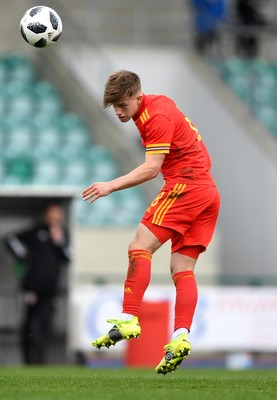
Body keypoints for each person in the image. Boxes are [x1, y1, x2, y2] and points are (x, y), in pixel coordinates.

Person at [82, 70, 220, 374]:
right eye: (114, 107)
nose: (119, 111)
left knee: (138, 246)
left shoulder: (155, 115)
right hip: (208, 192)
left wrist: (110, 185)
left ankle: (129, 318)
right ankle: (180, 337)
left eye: (122, 105)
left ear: (136, 96)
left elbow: (151, 168)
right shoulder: (153, 108)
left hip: (187, 185)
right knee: (182, 269)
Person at [5, 204, 71, 364]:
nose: (55, 218)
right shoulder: (36, 232)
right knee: (28, 323)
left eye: (58, 215)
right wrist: (21, 256)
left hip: (50, 289)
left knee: (45, 324)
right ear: (46, 215)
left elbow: (67, 257)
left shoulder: (63, 234)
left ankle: (40, 361)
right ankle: (27, 359)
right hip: (31, 287)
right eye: (52, 214)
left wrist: (59, 242)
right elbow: (9, 238)